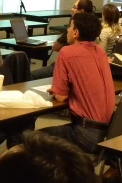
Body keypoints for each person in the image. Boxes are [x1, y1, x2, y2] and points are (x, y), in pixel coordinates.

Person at [40, 13, 115, 154]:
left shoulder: (66, 53)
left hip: (84, 134)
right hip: (107, 132)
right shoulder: (100, 52)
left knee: (32, 138)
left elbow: (61, 97)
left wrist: (57, 91)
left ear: (76, 32)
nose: (67, 30)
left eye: (70, 27)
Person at [31, 0, 93, 79]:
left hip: (67, 68)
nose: (72, 9)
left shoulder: (75, 30)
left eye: (74, 7)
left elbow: (55, 47)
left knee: (31, 75)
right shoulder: (94, 27)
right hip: (83, 69)